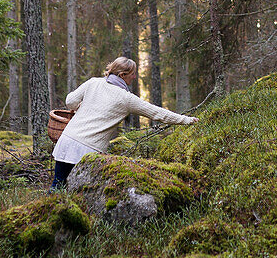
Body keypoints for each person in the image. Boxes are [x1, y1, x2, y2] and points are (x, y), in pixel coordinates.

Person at [50, 56, 198, 189]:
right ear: (122, 75)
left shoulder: (93, 82)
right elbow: (157, 113)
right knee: (81, 193)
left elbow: (70, 101)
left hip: (67, 141)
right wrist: (187, 120)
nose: (135, 77)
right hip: (88, 150)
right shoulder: (126, 98)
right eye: (133, 73)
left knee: (58, 186)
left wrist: (80, 107)